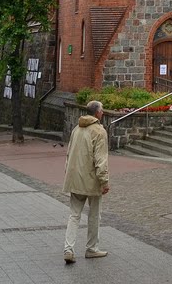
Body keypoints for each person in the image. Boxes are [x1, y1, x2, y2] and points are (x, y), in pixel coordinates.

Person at [62, 100, 110, 264]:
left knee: (74, 215)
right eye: (102, 110)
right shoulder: (99, 131)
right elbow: (101, 160)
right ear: (97, 113)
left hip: (75, 178)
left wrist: (68, 174)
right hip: (92, 179)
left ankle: (69, 248)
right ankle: (91, 248)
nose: (103, 113)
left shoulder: (77, 129)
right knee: (94, 215)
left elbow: (68, 154)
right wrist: (104, 181)